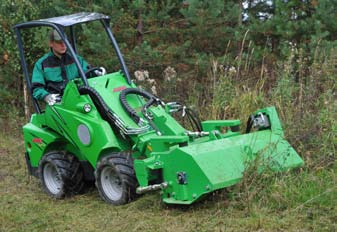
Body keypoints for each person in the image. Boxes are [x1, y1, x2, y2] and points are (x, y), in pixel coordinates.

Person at [31, 30, 89, 105]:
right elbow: (36, 88)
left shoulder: (76, 60)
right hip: (57, 105)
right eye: (59, 42)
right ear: (51, 43)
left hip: (79, 101)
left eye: (65, 41)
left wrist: (96, 73)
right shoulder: (42, 64)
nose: (63, 45)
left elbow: (88, 74)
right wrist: (46, 96)